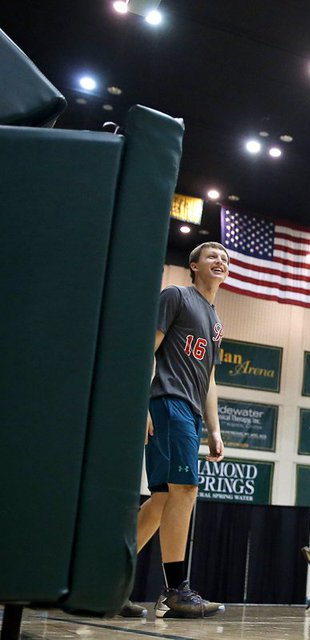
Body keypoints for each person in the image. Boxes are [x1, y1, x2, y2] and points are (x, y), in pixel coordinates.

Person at [122, 242, 229, 619]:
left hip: (192, 412)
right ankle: (175, 591)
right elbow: (146, 350)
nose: (221, 260)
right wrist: (141, 402)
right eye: (212, 255)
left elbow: (210, 378)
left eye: (225, 257)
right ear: (194, 265)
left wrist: (214, 429)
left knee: (164, 498)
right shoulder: (176, 296)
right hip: (167, 401)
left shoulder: (215, 320)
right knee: (185, 490)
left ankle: (107, 578)